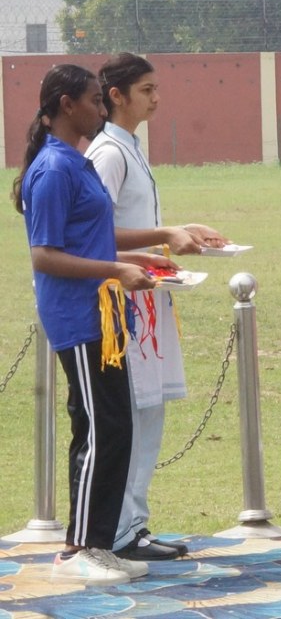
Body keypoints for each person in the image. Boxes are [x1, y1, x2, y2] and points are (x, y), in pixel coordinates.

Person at [14, 64, 170, 585]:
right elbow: (45, 255)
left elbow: (92, 237)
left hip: (103, 314)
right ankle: (78, 549)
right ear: (66, 105)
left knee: (112, 426)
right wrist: (117, 271)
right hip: (78, 317)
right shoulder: (53, 168)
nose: (102, 111)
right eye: (94, 102)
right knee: (101, 430)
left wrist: (143, 257)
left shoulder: (75, 162)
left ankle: (99, 544)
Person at [87, 54, 228, 563]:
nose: (156, 98)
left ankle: (133, 524)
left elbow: (134, 225)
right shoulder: (108, 153)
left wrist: (181, 232)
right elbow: (93, 233)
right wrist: (164, 235)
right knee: (131, 413)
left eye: (156, 88)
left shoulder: (130, 147)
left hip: (148, 296)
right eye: (146, 90)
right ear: (117, 95)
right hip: (120, 301)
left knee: (149, 411)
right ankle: (119, 530)